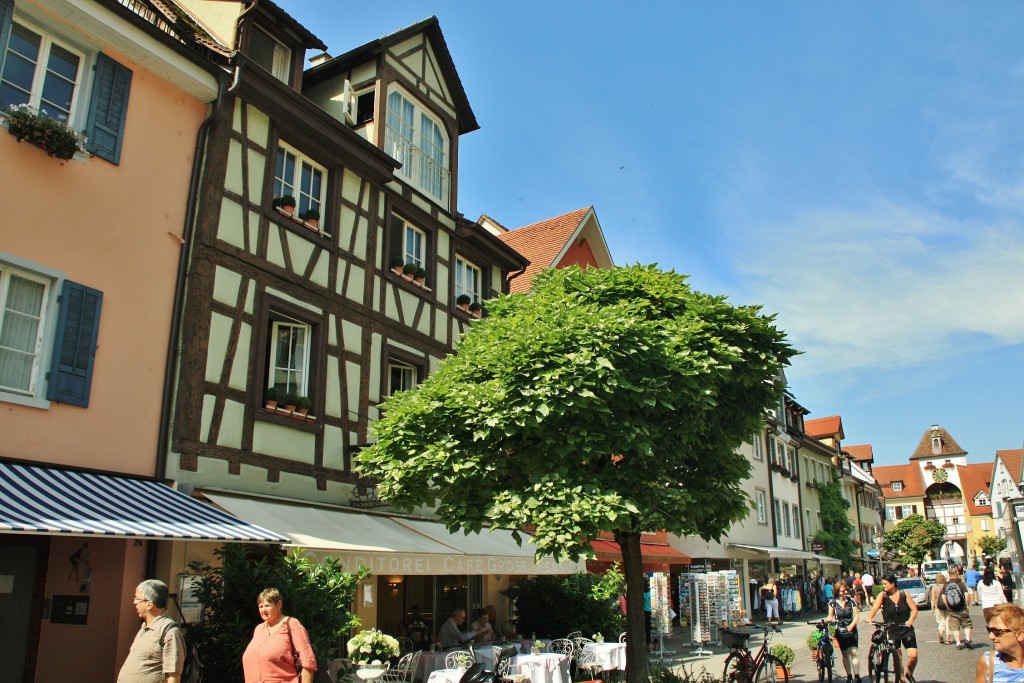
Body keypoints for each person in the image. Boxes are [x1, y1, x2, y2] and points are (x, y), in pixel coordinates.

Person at [242, 588, 316, 683]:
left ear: (279, 605)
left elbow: (308, 662)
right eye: (261, 606)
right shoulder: (259, 629)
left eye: (267, 606)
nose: (263, 610)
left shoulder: (292, 625)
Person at [117, 579, 185, 683]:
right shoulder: (146, 627)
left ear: (149, 604)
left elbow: (173, 676)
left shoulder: (169, 632)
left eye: (137, 599)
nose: (134, 602)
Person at [868, 573, 920, 683]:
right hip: (891, 629)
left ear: (892, 584)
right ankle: (901, 679)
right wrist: (870, 618)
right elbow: (874, 608)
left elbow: (914, 610)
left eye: (885, 584)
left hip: (906, 628)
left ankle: (909, 674)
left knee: (913, 655)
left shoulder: (904, 594)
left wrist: (910, 621)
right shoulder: (883, 596)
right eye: (882, 584)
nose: (883, 586)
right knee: (898, 656)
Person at [975, 603, 1024, 682]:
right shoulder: (988, 661)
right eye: (990, 630)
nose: (991, 637)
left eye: (997, 631)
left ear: (1019, 635)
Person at [827, 580, 861, 683]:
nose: (845, 592)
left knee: (854, 652)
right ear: (837, 591)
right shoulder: (832, 602)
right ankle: (849, 675)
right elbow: (830, 616)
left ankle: (857, 676)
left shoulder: (851, 601)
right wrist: (826, 621)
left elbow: (856, 615)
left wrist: (851, 626)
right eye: (842, 591)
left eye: (845, 590)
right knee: (845, 653)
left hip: (851, 628)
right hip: (840, 630)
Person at [945, 567, 976, 650]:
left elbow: (943, 596)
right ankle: (967, 639)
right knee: (967, 624)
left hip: (952, 609)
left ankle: (958, 643)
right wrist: (967, 605)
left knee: (955, 627)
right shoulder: (960, 584)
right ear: (956, 574)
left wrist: (947, 605)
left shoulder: (946, 584)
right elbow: (967, 595)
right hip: (962, 607)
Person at [931, 573, 950, 645]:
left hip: (938, 607)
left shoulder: (934, 587)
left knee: (941, 622)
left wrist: (932, 609)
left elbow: (933, 599)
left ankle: (941, 634)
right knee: (948, 623)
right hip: (948, 606)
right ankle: (948, 639)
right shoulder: (947, 585)